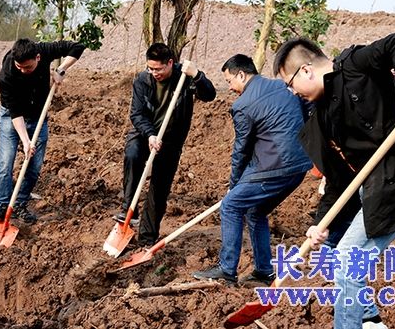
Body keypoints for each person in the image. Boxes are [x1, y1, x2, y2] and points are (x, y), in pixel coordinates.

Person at [273, 32, 395, 329]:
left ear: (305, 70)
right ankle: (368, 317)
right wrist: (320, 223)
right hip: (369, 186)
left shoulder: (355, 66)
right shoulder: (322, 116)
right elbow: (337, 179)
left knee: (347, 262)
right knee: (332, 250)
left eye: (290, 84)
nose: (292, 93)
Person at [192, 54, 312, 285]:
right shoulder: (283, 86)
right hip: (299, 166)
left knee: (231, 206)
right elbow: (307, 108)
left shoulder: (242, 105)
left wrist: (234, 185)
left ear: (241, 74)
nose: (229, 87)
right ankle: (264, 272)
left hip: (276, 166)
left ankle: (227, 269)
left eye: (229, 81)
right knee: (255, 213)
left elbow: (242, 150)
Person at [115, 43, 216, 247]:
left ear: (170, 63)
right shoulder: (143, 80)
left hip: (171, 139)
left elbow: (209, 95)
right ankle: (128, 210)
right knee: (133, 155)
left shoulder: (184, 78)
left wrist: (197, 75)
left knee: (159, 187)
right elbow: (137, 113)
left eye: (158, 69)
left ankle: (147, 237)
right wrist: (151, 134)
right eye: (150, 68)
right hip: (145, 133)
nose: (154, 73)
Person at [0, 38, 85, 224]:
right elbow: (15, 113)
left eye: (28, 67)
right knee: (5, 162)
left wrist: (61, 69)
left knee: (34, 166)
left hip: (38, 115)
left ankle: (19, 204)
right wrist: (25, 141)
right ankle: (1, 207)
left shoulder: (44, 50)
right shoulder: (7, 75)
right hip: (11, 116)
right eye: (20, 67)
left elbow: (77, 47)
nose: (23, 71)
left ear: (38, 58)